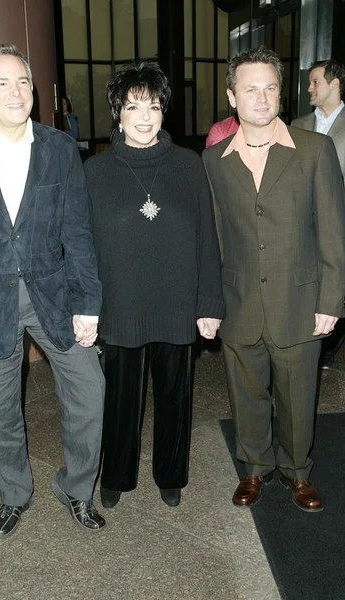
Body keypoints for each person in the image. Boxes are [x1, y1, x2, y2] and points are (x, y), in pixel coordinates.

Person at [0, 44, 106, 537]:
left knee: (90, 390)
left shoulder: (59, 147)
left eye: (23, 82)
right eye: (2, 83)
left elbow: (77, 232)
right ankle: (14, 494)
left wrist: (89, 302)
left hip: (53, 294)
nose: (17, 92)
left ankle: (76, 488)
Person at [203, 46, 345, 513]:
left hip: (300, 300)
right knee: (246, 394)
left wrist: (332, 300)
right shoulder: (214, 161)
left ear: (281, 95)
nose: (260, 98)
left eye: (269, 88)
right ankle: (254, 467)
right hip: (238, 298)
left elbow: (333, 232)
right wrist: (209, 301)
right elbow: (214, 238)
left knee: (299, 394)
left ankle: (297, 471)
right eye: (249, 89)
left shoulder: (314, 150)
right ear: (232, 96)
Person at [84, 61, 225, 509]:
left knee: (174, 397)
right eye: (132, 106)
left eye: (153, 105)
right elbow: (82, 246)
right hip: (121, 305)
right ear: (118, 113)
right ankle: (117, 475)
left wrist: (209, 304)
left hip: (177, 303)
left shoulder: (189, 165)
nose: (144, 116)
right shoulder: (95, 172)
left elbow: (207, 237)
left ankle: (171, 474)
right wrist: (85, 306)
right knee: (120, 401)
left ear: (164, 110)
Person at [292, 59, 345, 370]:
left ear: (335, 83)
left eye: (315, 82)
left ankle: (330, 345)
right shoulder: (297, 126)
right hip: (305, 224)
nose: (309, 88)